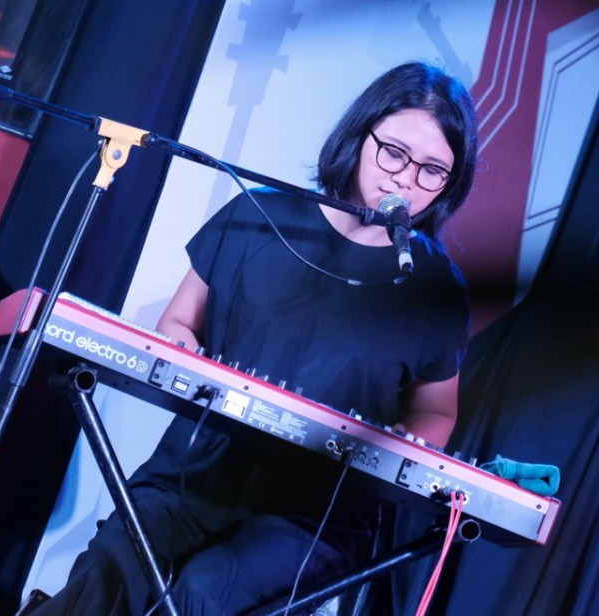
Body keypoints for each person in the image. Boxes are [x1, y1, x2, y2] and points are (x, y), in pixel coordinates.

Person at [31, 60, 479, 615]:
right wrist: (182, 352)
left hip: (312, 515)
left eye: (433, 170)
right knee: (111, 565)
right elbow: (178, 321)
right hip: (195, 474)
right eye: (394, 153)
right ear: (361, 134)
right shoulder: (257, 217)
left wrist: (410, 443)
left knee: (205, 591)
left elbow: (436, 411)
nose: (406, 180)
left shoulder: (436, 287)